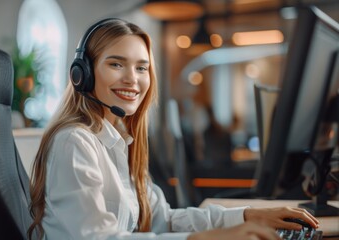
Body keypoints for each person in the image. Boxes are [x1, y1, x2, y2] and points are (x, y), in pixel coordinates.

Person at [27, 18, 319, 240]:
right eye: (116, 64)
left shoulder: (118, 142)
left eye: (142, 68)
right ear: (83, 75)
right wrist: (205, 238)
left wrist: (248, 215)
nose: (133, 79)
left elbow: (163, 219)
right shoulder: (74, 142)